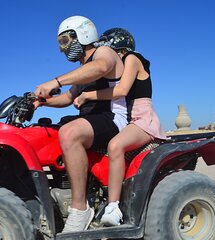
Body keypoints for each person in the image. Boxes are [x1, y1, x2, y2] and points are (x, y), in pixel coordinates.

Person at [35, 17, 127, 232]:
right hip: (93, 120)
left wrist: (55, 81)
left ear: (83, 35)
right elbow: (68, 98)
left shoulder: (104, 53)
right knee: (47, 132)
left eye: (65, 41)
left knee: (69, 133)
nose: (63, 49)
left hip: (113, 117)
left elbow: (102, 67)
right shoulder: (84, 68)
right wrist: (41, 102)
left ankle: (80, 208)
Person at [74, 28, 167, 226]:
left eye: (104, 45)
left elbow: (121, 90)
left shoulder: (133, 58)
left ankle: (113, 207)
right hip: (130, 118)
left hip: (142, 119)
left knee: (115, 146)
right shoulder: (121, 66)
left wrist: (86, 95)